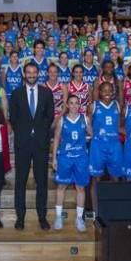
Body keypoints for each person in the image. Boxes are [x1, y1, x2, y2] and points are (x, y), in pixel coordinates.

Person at [9, 63, 54, 231]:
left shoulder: (46, 92)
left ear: (38, 74)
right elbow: (13, 118)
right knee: (20, 181)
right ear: (24, 74)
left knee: (41, 181)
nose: (32, 75)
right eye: (28, 72)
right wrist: (25, 131)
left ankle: (42, 217)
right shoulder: (16, 93)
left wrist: (39, 131)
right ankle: (20, 217)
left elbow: (50, 116)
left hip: (41, 143)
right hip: (23, 142)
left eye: (34, 72)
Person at [52, 95, 92, 232]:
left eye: (77, 103)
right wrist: (54, 158)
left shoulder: (85, 119)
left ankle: (79, 218)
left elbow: (93, 135)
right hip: (65, 158)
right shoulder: (62, 120)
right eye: (71, 103)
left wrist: (87, 138)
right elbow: (56, 139)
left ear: (80, 105)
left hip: (81, 158)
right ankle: (58, 216)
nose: (74, 106)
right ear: (67, 105)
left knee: (80, 188)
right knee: (61, 186)